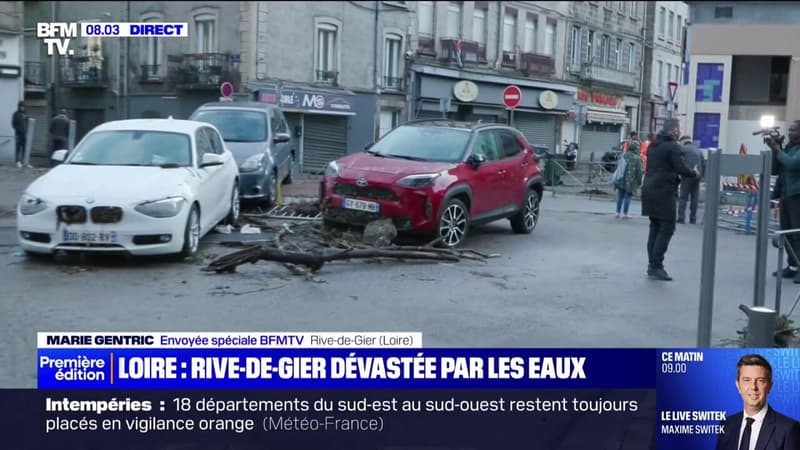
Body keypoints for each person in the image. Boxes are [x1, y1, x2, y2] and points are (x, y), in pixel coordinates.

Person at [640, 119, 699, 281]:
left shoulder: (653, 145)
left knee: (655, 227)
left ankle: (652, 264)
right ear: (673, 130)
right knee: (667, 227)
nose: (679, 132)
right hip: (664, 190)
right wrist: (693, 173)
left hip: (649, 188)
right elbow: (680, 167)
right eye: (678, 129)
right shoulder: (673, 146)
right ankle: (656, 266)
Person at [715, 354, 800, 450]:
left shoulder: (788, 429)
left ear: (769, 386)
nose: (753, 387)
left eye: (760, 380)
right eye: (747, 380)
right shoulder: (726, 425)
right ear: (738, 385)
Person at [771, 120, 800, 282]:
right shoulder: (789, 148)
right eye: (789, 129)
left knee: (797, 233)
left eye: (794, 130)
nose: (790, 132)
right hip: (786, 195)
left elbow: (792, 163)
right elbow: (775, 169)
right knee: (786, 231)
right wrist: (777, 150)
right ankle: (793, 265)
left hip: (797, 195)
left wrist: (778, 150)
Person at [677, 135, 705, 224]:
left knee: (683, 197)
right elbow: (703, 165)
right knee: (695, 197)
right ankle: (693, 218)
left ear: (683, 142)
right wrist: (701, 176)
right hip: (697, 176)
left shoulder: (683, 149)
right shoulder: (698, 150)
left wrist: (679, 174)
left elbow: (680, 163)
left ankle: (681, 218)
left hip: (687, 175)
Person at [615, 135, 643, 219]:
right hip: (631, 180)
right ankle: (625, 213)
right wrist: (639, 181)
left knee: (620, 196)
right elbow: (639, 172)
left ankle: (617, 213)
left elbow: (619, 167)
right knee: (628, 197)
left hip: (621, 179)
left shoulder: (624, 155)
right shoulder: (637, 158)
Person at [11, 101, 27, 168]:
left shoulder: (25, 114)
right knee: (18, 148)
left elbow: (28, 122)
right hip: (18, 134)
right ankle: (17, 161)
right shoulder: (16, 114)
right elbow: (13, 124)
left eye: (23, 107)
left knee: (24, 148)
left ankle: (24, 162)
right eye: (21, 106)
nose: (22, 108)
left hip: (24, 133)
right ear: (19, 107)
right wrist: (18, 129)